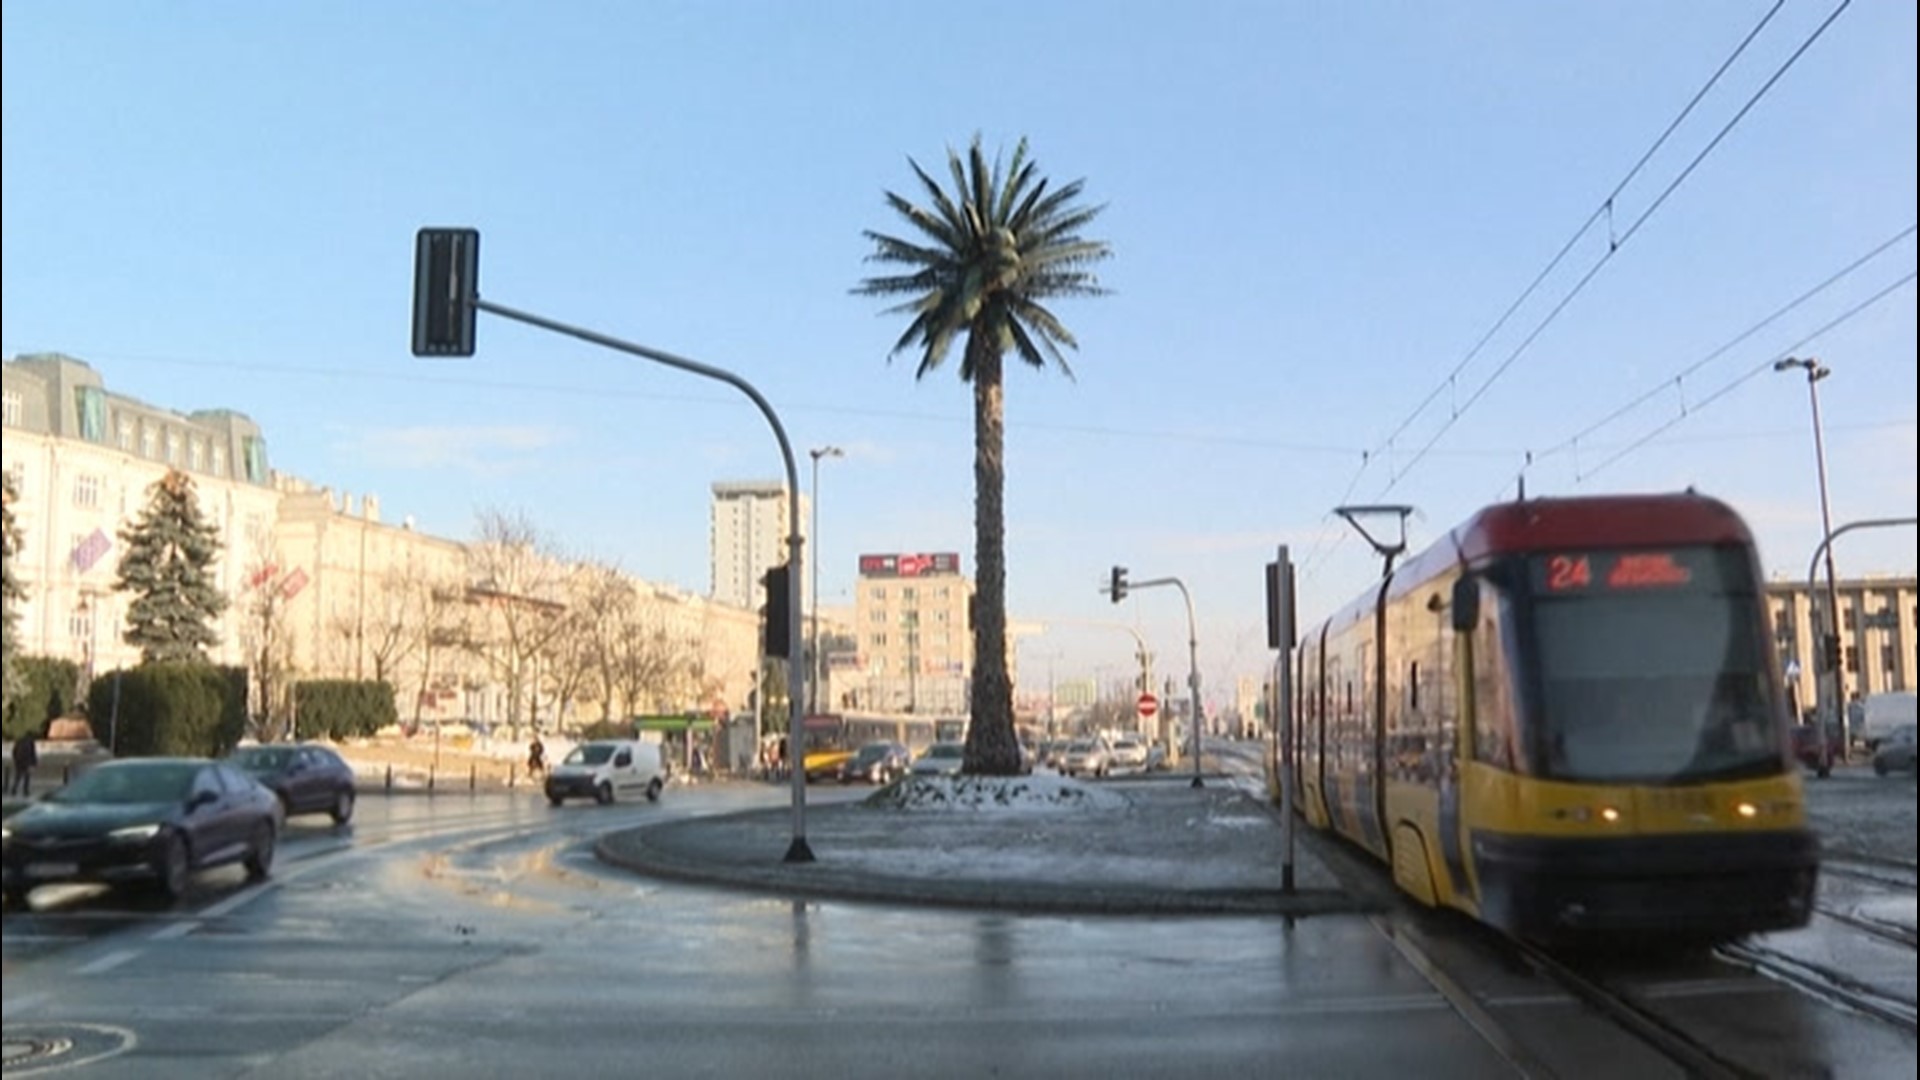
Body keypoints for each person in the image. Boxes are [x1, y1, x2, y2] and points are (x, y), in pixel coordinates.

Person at [10, 729, 38, 796]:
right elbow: (32, 753)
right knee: (26, 777)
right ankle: (25, 790)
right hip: (26, 761)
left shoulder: (19, 741)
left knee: (18, 776)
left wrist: (16, 760)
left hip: (19, 761)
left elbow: (14, 751)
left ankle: (14, 789)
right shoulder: (30, 742)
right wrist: (34, 762)